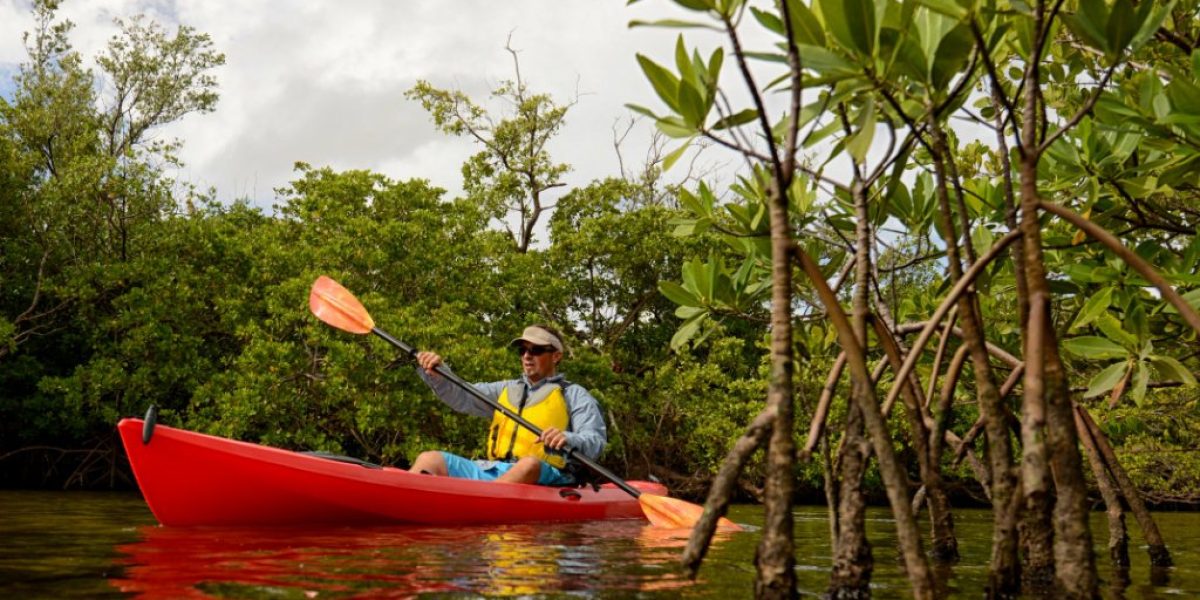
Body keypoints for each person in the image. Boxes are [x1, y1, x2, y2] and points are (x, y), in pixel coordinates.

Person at [408, 324, 607, 486]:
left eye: (536, 350)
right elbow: (461, 395)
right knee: (430, 459)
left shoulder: (574, 395)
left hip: (547, 474)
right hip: (494, 469)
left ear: (556, 356)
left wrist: (567, 438)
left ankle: (479, 507)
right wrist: (437, 372)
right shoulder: (505, 390)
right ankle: (405, 500)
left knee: (528, 464)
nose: (527, 356)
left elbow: (595, 442)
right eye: (523, 350)